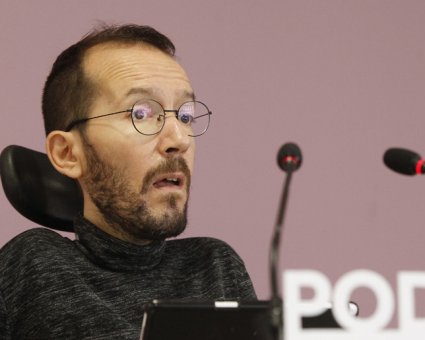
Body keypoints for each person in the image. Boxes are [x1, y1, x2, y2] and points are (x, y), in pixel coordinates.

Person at [0, 24, 256, 339]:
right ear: (67, 153)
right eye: (141, 113)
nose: (178, 139)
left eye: (185, 116)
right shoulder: (33, 264)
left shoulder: (214, 266)